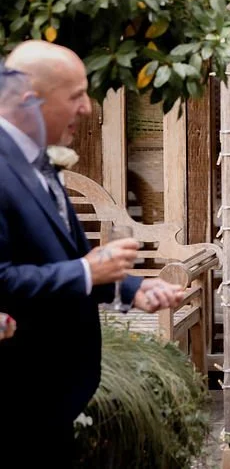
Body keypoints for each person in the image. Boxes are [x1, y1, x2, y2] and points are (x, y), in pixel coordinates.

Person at [0, 41, 185, 462]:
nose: (87, 107)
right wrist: (86, 271)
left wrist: (132, 290)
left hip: (51, 401)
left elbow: (62, 261)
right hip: (15, 399)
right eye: (76, 96)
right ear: (30, 100)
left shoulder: (35, 161)